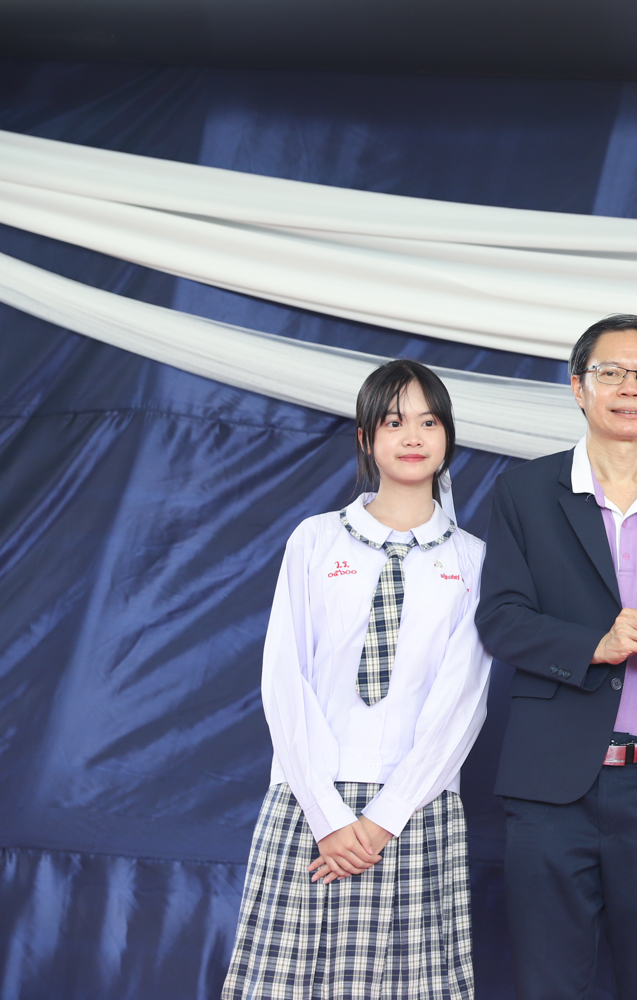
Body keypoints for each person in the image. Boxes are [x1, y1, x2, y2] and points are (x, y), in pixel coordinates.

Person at [476, 314, 637, 1000]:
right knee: (547, 984)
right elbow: (499, 620)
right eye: (611, 372)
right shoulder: (524, 492)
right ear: (577, 386)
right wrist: (597, 644)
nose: (630, 388)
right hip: (551, 786)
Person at [223, 359, 491, 1000]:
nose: (413, 436)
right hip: (311, 803)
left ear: (447, 436)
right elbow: (284, 678)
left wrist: (381, 822)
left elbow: (463, 704)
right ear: (367, 437)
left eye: (429, 422)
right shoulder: (316, 541)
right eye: (394, 422)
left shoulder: (472, 558)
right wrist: (329, 816)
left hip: (416, 809)